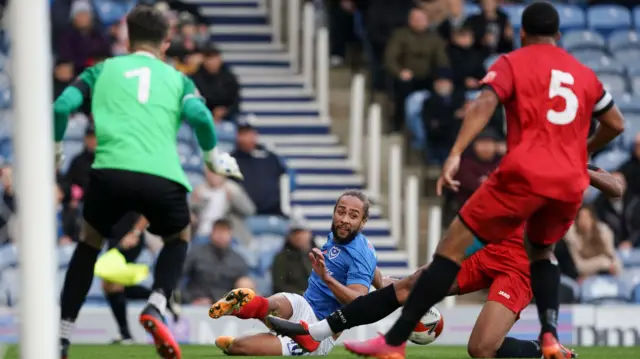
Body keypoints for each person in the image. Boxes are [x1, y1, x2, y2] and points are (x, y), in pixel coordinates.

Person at [341, 3, 625, 359]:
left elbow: (486, 101)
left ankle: (394, 342)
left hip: (517, 240)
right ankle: (548, 337)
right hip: (500, 244)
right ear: (560, 36)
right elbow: (617, 127)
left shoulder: (517, 65)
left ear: (521, 33)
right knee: (465, 298)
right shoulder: (582, 78)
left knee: (453, 263)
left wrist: (456, 151)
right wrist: (582, 157)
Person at [266, 166, 623, 358]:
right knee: (410, 285)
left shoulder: (572, 170)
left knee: (480, 349)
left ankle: (551, 353)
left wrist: (579, 168)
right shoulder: (524, 161)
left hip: (521, 267)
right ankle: (316, 333)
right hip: (488, 250)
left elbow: (616, 187)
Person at [53, 5, 243, 359]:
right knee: (178, 237)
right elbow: (201, 115)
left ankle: (63, 335)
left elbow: (62, 106)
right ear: (167, 41)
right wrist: (210, 158)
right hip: (162, 177)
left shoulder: (102, 70)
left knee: (88, 245)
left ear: (126, 36)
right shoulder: (178, 78)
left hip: (110, 172)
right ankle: (157, 302)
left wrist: (56, 150)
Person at [207, 191, 379, 356]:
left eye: (353, 216)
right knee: (271, 304)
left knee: (237, 347)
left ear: (363, 222)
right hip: (303, 304)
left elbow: (358, 302)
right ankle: (244, 304)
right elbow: (379, 279)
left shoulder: (361, 253)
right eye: (341, 212)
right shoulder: (337, 236)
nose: (344, 219)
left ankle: (242, 328)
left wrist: (327, 278)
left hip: (319, 331)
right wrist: (398, 293)